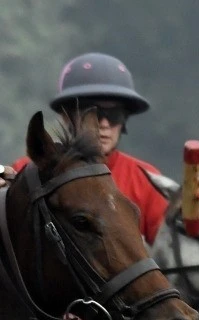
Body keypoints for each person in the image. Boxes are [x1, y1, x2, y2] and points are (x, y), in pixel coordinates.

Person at [10, 52, 166, 243]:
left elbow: (167, 255)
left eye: (115, 114)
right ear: (66, 116)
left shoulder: (148, 179)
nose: (105, 124)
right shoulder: (27, 171)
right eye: (93, 113)